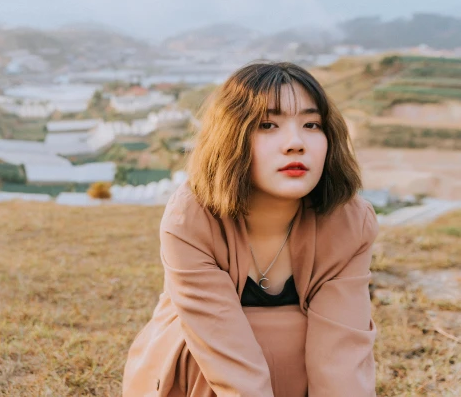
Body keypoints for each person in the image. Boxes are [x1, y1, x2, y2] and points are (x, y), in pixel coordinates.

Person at [122, 62, 378, 397]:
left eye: (311, 124)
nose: (295, 143)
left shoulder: (349, 221)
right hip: (203, 370)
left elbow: (341, 349)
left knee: (300, 337)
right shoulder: (191, 217)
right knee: (209, 344)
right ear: (232, 136)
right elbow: (219, 341)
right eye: (268, 125)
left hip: (299, 370)